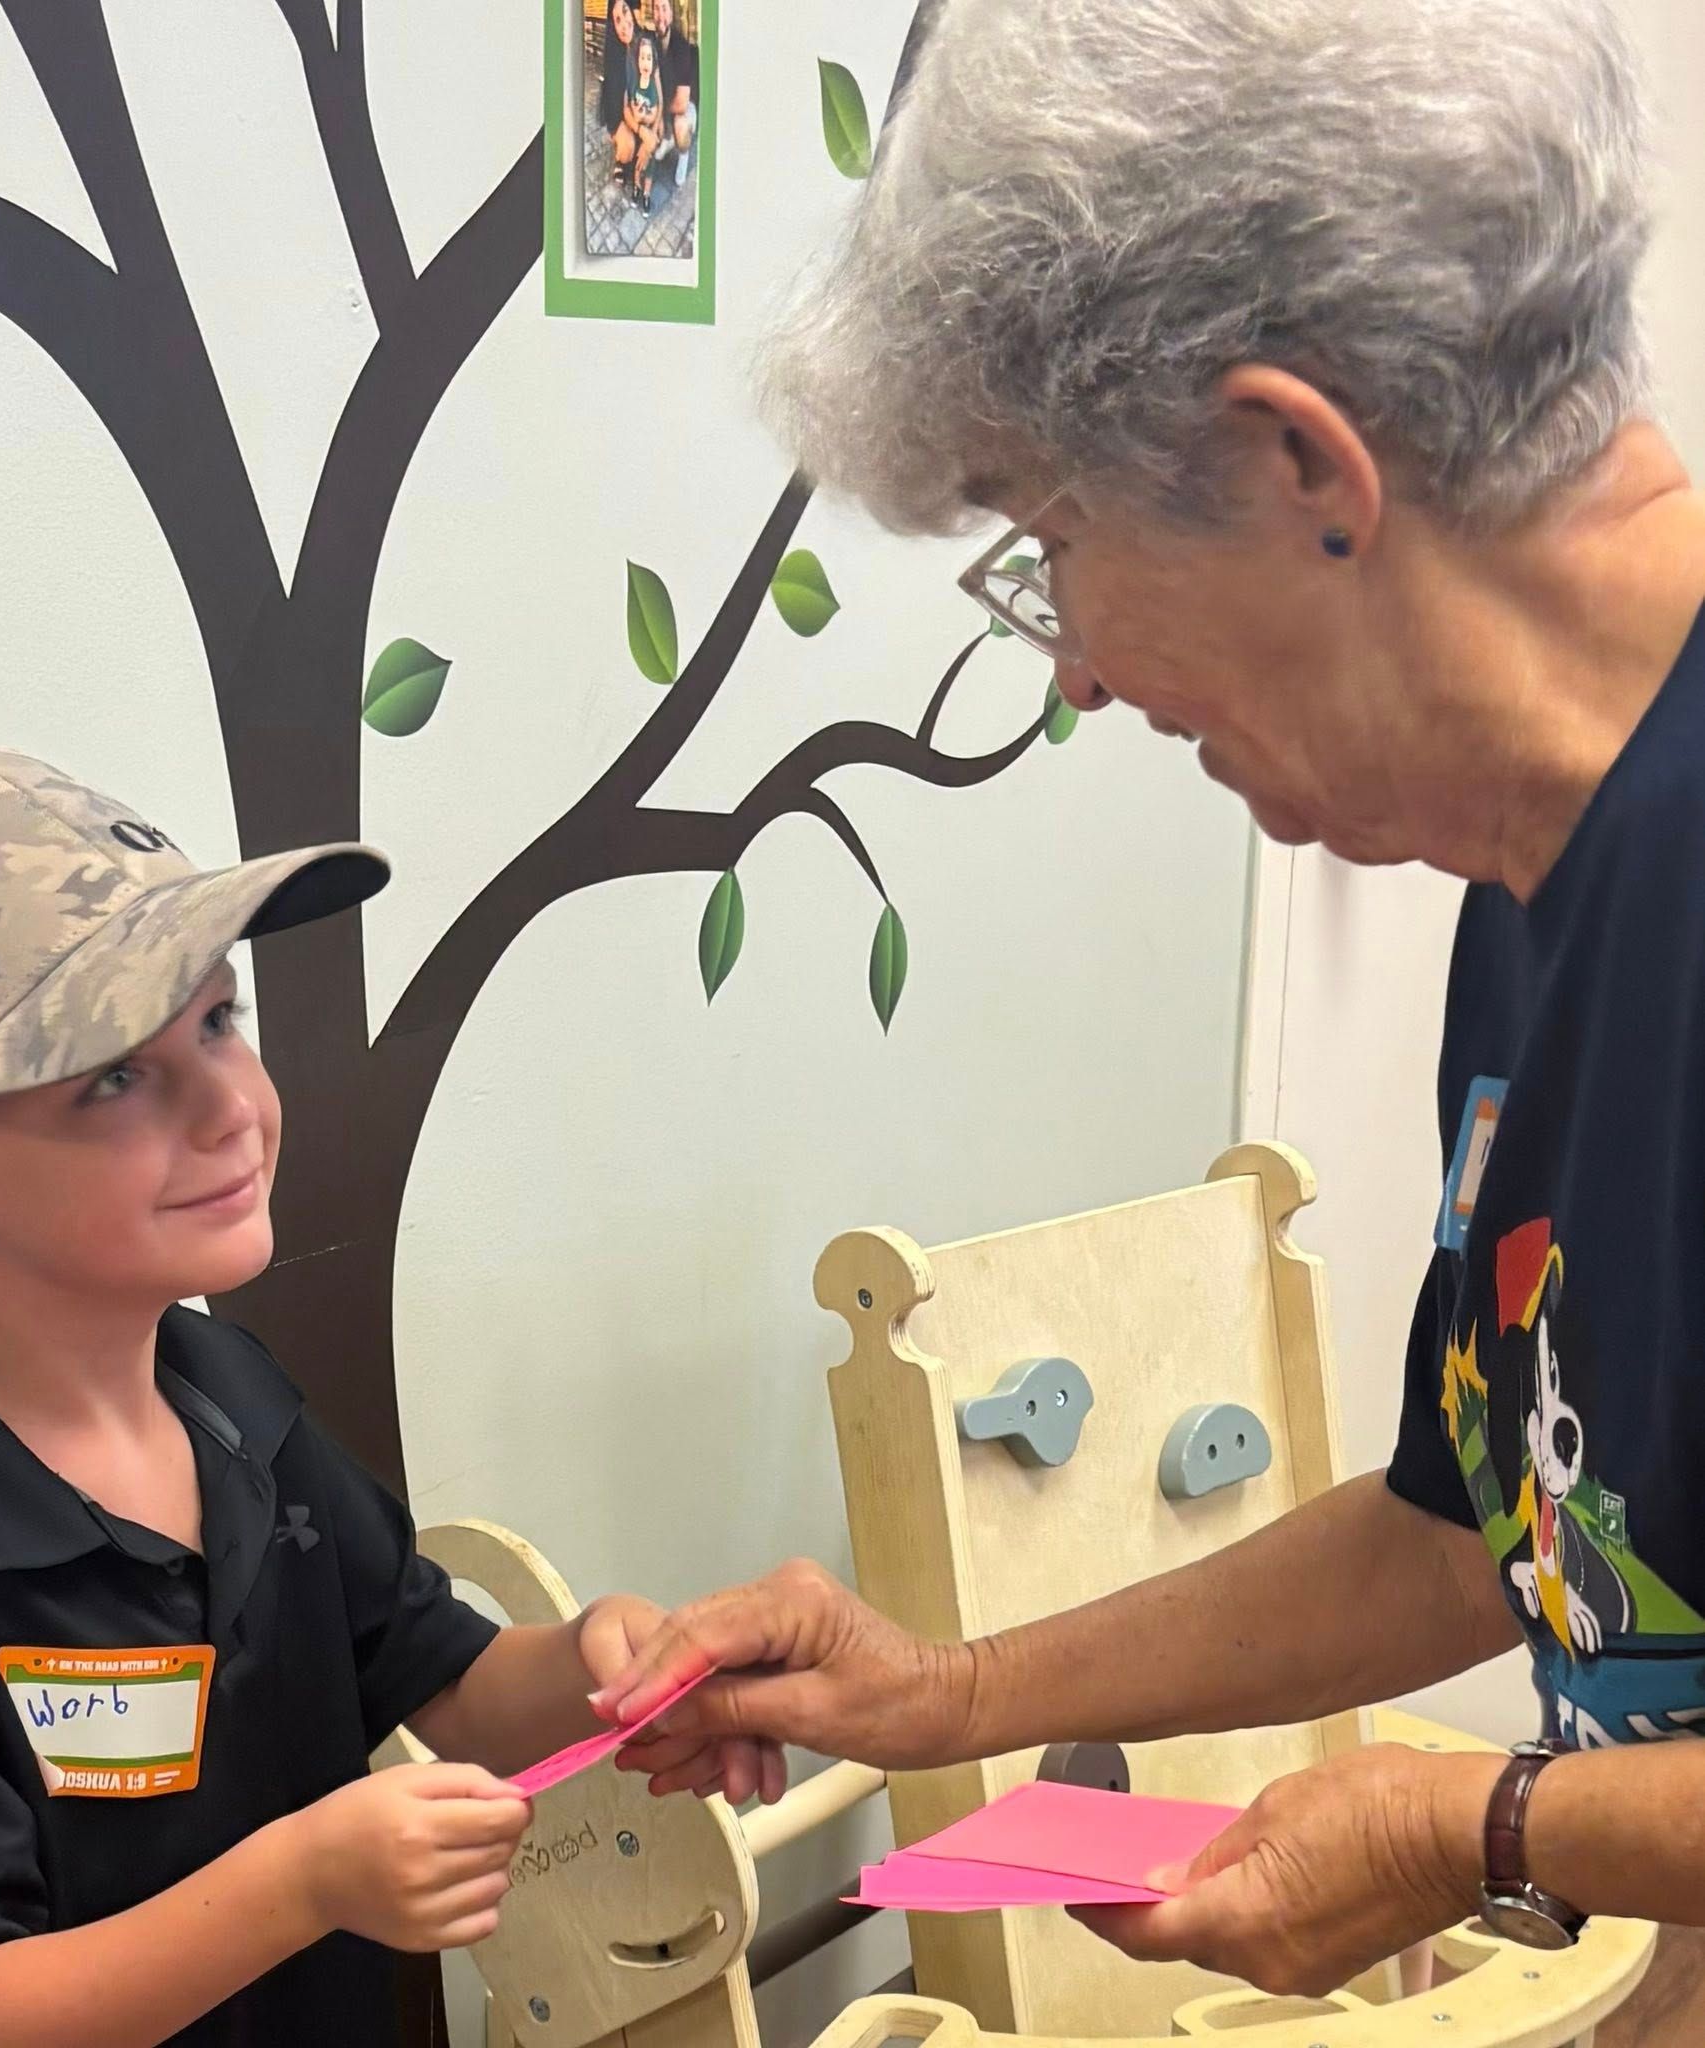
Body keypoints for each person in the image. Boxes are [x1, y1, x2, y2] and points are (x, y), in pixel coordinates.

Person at [595, 0, 1705, 2028]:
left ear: (1298, 464)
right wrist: (948, 1685)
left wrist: (1474, 1829)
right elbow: (1476, 1538)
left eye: (1049, 545)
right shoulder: (1542, 887)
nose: (1079, 672)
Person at [0, 748, 772, 2048]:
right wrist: (302, 1883)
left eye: (217, 1020)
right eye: (113, 1077)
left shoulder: (229, 1402)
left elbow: (452, 1684)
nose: (233, 1109)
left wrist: (612, 1664)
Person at [650, 0, 699, 189]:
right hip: (664, 102)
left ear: (671, 14)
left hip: (686, 107)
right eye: (656, 9)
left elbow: (680, 103)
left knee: (680, 124)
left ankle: (683, 154)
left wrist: (657, 110)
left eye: (664, 8)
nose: (660, 15)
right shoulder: (652, 43)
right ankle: (668, 139)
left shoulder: (682, 47)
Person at [622, 32, 664, 215]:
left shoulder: (653, 87)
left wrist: (645, 118)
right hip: (639, 132)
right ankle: (636, 189)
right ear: (637, 62)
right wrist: (637, 117)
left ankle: (646, 193)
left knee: (649, 167)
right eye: (642, 58)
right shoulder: (635, 82)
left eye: (648, 58)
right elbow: (631, 103)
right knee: (637, 167)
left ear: (653, 62)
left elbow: (654, 110)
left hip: (649, 131)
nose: (645, 62)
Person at [599, 0, 637, 169]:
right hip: (621, 113)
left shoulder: (646, 46)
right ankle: (620, 156)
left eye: (626, 13)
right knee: (627, 148)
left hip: (643, 110)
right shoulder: (614, 57)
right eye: (617, 20)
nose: (623, 25)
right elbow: (614, 105)